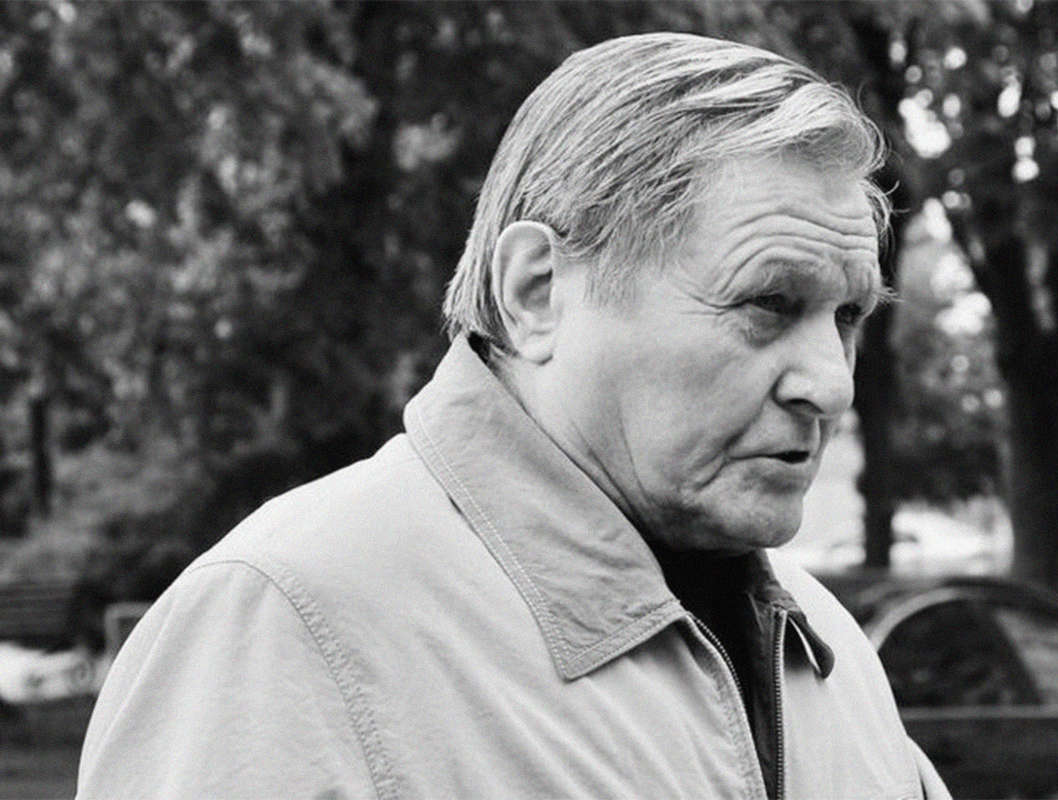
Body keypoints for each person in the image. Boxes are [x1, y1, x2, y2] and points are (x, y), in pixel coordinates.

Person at [77, 32, 950, 799]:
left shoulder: (831, 652)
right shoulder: (286, 625)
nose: (830, 385)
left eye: (848, 317)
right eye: (768, 303)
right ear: (535, 292)